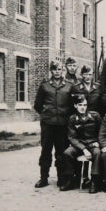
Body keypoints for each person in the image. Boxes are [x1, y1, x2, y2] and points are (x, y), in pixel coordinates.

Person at [33, 60, 74, 188]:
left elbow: (72, 106)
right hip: (48, 124)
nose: (57, 72)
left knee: (61, 151)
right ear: (51, 70)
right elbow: (37, 105)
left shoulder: (69, 85)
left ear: (63, 70)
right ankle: (43, 178)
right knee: (46, 151)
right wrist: (47, 114)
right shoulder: (45, 85)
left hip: (62, 124)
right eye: (55, 69)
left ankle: (61, 178)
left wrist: (66, 116)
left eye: (59, 69)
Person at [61, 95, 102, 192]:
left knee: (97, 153)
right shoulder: (72, 119)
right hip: (79, 145)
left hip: (93, 144)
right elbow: (72, 137)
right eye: (80, 105)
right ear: (75, 105)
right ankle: (70, 180)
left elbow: (102, 132)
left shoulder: (95, 116)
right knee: (67, 153)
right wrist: (83, 149)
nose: (83, 107)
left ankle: (94, 181)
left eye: (85, 105)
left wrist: (98, 143)